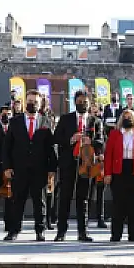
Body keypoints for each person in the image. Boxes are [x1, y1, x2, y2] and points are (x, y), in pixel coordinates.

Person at [2, 90, 57, 242]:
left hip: (39, 169)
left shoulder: (46, 121)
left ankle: (40, 231)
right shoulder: (15, 121)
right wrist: (7, 167)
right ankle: (14, 230)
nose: (32, 104)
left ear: (40, 104)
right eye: (30, 101)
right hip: (19, 169)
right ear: (26, 102)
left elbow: (51, 147)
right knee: (17, 201)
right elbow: (7, 147)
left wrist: (52, 169)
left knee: (40, 202)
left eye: (35, 101)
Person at [54, 90, 103, 242]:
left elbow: (101, 141)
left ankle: (83, 232)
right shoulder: (65, 119)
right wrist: (70, 139)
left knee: (84, 199)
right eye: (80, 101)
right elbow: (56, 137)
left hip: (86, 163)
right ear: (75, 102)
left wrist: (92, 142)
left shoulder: (95, 121)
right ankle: (61, 232)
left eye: (86, 102)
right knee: (65, 197)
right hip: (68, 162)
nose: (83, 104)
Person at [104, 109, 134, 242]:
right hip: (118, 171)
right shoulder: (114, 134)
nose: (127, 119)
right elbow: (108, 155)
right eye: (125, 116)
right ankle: (116, 234)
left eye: (130, 117)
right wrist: (107, 173)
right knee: (118, 204)